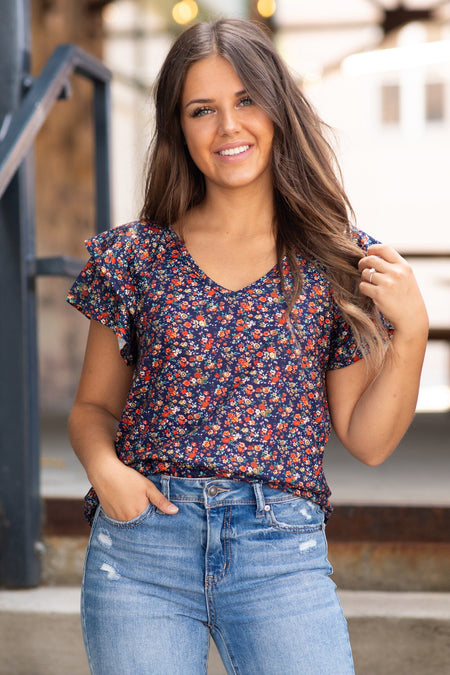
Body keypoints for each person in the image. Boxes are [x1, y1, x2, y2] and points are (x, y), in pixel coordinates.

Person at [67, 18, 428, 675]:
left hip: (278, 549)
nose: (228, 127)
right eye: (202, 110)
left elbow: (369, 440)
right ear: (179, 128)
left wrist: (414, 331)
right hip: (143, 547)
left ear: (279, 110)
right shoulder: (134, 257)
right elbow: (92, 408)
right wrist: (106, 471)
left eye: (246, 101)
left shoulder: (334, 260)